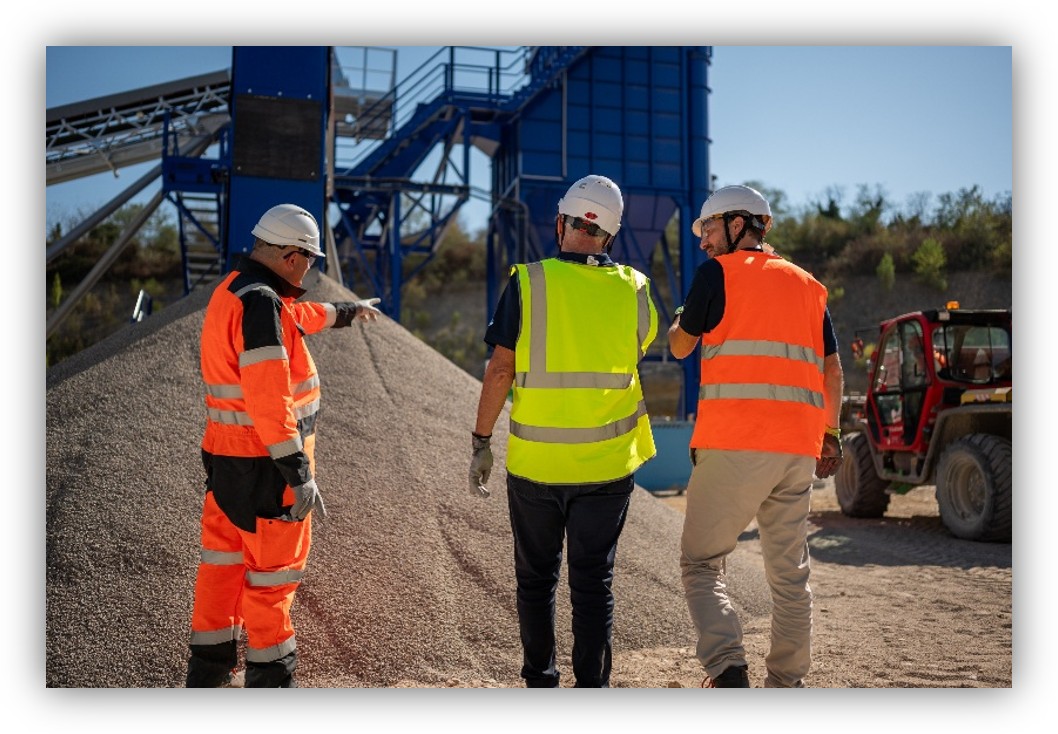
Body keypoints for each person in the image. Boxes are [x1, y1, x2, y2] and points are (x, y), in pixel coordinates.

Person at [469, 175, 658, 687]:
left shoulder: (528, 282)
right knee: (593, 583)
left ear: (561, 224)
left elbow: (500, 370)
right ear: (611, 235)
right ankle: (592, 688)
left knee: (536, 582)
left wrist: (481, 441)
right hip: (607, 467)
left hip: (536, 466)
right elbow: (635, 350)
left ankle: (541, 683)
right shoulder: (636, 288)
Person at [186, 203, 383, 688]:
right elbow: (269, 396)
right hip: (267, 468)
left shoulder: (235, 291)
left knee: (222, 567)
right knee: (272, 578)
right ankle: (270, 681)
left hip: (226, 462)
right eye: (309, 260)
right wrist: (298, 473)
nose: (309, 271)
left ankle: (207, 677)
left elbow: (298, 316)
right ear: (292, 256)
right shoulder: (261, 304)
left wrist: (346, 312)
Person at [667, 184, 844, 688]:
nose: (703, 241)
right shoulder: (809, 286)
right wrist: (830, 432)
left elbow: (680, 346)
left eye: (708, 228)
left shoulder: (716, 274)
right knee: (790, 577)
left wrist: (683, 315)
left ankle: (728, 671)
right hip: (797, 451)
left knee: (701, 563)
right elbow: (832, 371)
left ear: (737, 223)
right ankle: (786, 684)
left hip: (733, 443)